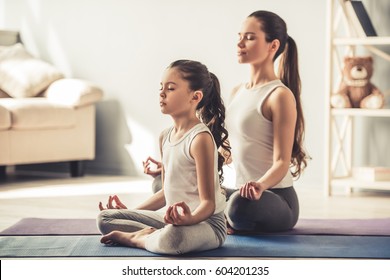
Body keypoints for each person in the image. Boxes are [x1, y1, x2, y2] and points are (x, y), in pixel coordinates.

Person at [97, 59, 231, 255]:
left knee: (174, 239)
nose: (161, 93)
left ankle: (136, 239)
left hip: (207, 223)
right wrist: (134, 211)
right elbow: (165, 192)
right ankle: (151, 235)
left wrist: (189, 219)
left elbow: (208, 204)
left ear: (195, 97)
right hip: (175, 221)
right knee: (104, 218)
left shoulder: (200, 138)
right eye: (161, 87)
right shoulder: (165, 137)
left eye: (170, 88)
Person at [224, 10, 308, 234]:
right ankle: (225, 220)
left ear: (273, 46)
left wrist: (260, 185)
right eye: (239, 36)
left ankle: (227, 219)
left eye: (250, 37)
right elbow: (229, 153)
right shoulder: (236, 92)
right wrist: (181, 166)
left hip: (274, 197)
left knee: (237, 207)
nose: (240, 43)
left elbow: (281, 161)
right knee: (172, 187)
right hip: (239, 191)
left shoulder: (279, 95)